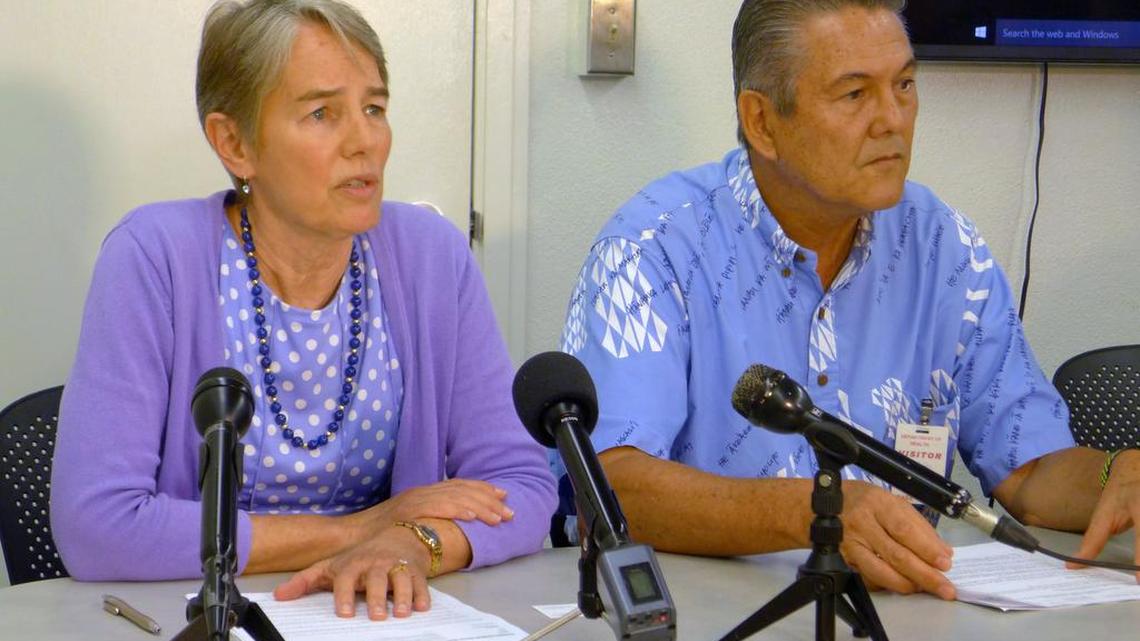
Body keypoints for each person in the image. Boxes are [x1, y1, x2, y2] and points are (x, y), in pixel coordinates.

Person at [556, 0, 1140, 601]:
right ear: (762, 122)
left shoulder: (944, 245)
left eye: (905, 85)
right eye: (855, 95)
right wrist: (818, 512)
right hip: (709, 614)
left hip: (905, 617)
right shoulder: (655, 248)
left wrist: (1114, 475)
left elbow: (1031, 469)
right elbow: (609, 483)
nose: (894, 119)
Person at [50, 0, 555, 620]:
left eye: (374, 107)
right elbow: (97, 525)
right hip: (197, 620)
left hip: (376, 622)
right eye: (322, 113)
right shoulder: (154, 258)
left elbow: (522, 487)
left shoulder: (433, 256)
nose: (365, 140)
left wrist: (413, 542)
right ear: (234, 143)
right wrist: (363, 528)